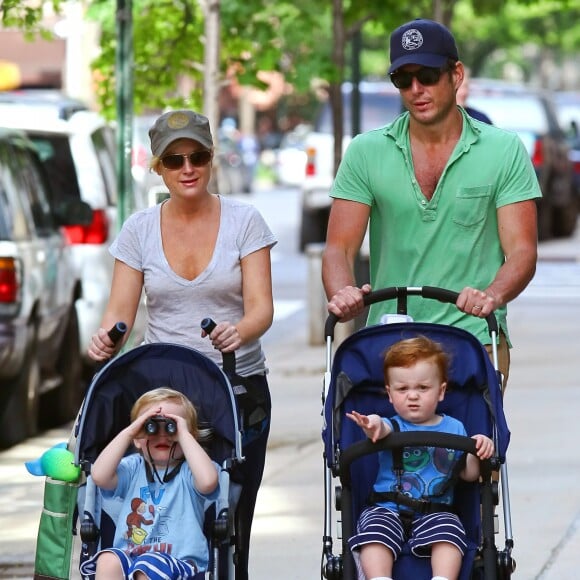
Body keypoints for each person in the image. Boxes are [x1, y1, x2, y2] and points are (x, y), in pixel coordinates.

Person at [87, 109, 277, 580]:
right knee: (153, 509)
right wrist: (104, 339)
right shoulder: (139, 230)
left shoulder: (244, 221)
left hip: (234, 389)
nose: (187, 167)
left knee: (229, 518)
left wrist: (241, 330)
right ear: (158, 167)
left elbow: (261, 308)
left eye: (197, 156)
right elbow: (120, 314)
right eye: (174, 160)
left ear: (212, 159)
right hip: (164, 392)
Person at [322, 18, 541, 389]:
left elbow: (522, 251)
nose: (416, 89)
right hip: (392, 340)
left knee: (474, 443)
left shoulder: (503, 150)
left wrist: (492, 295)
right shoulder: (365, 151)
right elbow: (338, 249)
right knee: (377, 445)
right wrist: (342, 291)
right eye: (403, 80)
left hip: (474, 338)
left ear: (456, 75)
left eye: (427, 75)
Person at [347, 336, 494, 580]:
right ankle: (379, 578)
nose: (412, 396)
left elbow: (469, 474)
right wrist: (371, 424)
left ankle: (442, 578)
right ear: (390, 394)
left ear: (441, 391)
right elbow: (380, 428)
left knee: (449, 533)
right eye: (402, 389)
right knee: (374, 534)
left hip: (436, 510)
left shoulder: (455, 428)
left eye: (422, 388)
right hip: (386, 507)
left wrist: (478, 448)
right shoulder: (392, 425)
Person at [79, 387, 219, 579]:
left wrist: (184, 434)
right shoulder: (132, 468)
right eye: (150, 426)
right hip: (131, 559)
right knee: (108, 559)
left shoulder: (190, 471)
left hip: (181, 564)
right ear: (137, 438)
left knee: (148, 565)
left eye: (172, 427)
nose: (163, 434)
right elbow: (99, 476)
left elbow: (208, 482)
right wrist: (131, 432)